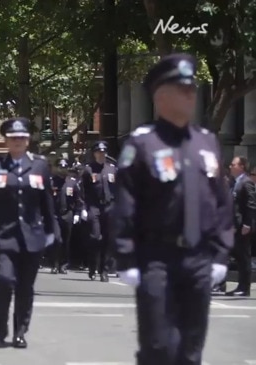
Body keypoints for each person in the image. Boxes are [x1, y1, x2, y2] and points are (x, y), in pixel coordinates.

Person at [113, 53, 234, 365]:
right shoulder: (142, 144)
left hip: (199, 260)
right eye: (183, 89)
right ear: (161, 95)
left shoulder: (206, 141)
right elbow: (126, 203)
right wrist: (126, 257)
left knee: (191, 351)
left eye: (192, 88)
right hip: (157, 259)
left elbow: (221, 201)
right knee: (159, 348)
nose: (191, 94)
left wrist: (221, 254)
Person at [0, 117, 55, 348]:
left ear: (28, 140)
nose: (18, 141)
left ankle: (20, 331)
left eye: (21, 137)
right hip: (4, 236)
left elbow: (47, 202)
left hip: (32, 237)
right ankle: (1, 330)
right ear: (6, 141)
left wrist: (52, 231)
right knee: (4, 280)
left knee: (25, 287)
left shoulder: (40, 165)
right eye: (13, 138)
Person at [82, 141, 115, 281]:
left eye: (104, 152)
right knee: (95, 237)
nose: (102, 154)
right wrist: (82, 209)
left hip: (109, 207)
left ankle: (104, 270)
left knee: (107, 239)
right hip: (94, 206)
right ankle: (92, 266)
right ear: (94, 153)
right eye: (99, 152)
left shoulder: (112, 169)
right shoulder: (88, 170)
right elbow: (83, 192)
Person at [226, 155, 255, 296]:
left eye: (234, 164)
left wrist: (247, 224)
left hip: (243, 227)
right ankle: (239, 286)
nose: (231, 167)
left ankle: (244, 288)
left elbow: (250, 204)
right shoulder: (235, 182)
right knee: (236, 256)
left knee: (243, 257)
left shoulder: (246, 182)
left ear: (242, 166)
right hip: (235, 226)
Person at [50, 158, 84, 274]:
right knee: (57, 239)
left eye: (64, 167)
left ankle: (63, 265)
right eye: (60, 167)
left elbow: (78, 200)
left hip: (68, 214)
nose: (62, 169)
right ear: (57, 168)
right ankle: (54, 264)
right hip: (54, 214)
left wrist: (78, 214)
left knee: (66, 241)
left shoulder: (72, 182)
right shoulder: (52, 182)